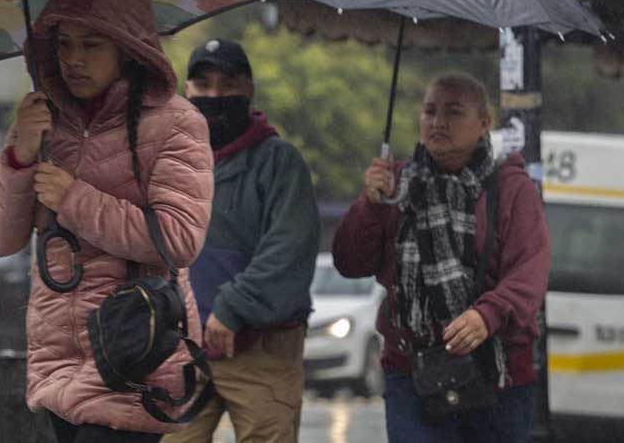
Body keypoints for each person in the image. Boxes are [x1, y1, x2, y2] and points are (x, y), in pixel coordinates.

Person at [0, 0, 215, 443]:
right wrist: (19, 155)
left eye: (91, 45)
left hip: (130, 358)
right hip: (55, 363)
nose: (73, 61)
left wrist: (73, 199)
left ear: (128, 47)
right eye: (64, 45)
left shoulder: (176, 123)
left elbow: (179, 239)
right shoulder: (44, 121)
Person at [331, 73, 551, 442]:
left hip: (499, 376)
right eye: (429, 111)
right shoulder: (396, 183)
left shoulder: (512, 188)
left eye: (453, 111)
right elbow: (350, 262)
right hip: (413, 370)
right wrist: (369, 204)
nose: (438, 122)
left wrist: (487, 315)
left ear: (484, 122)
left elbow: (530, 270)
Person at [163, 38, 320, 443]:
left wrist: (232, 308)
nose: (214, 95)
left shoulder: (279, 161)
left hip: (262, 350)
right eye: (203, 85)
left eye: (227, 84)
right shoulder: (169, 160)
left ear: (248, 90)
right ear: (187, 90)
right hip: (180, 350)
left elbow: (289, 251)